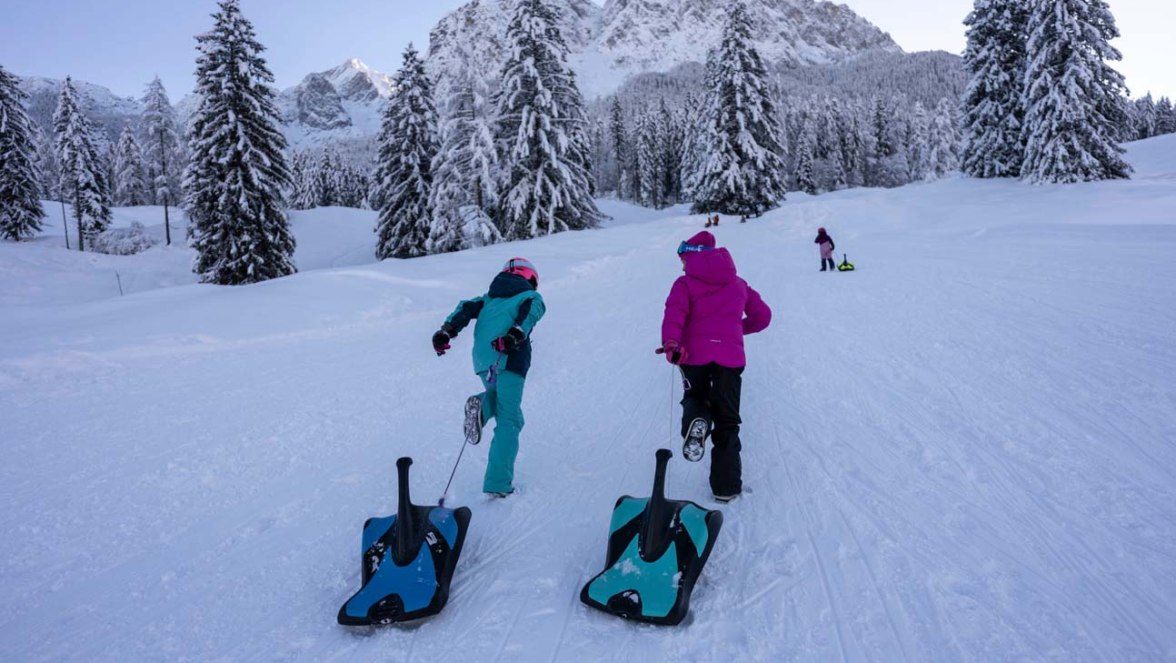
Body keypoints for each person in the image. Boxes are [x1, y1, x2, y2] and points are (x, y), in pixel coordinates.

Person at [659, 231, 772, 502]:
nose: (683, 265)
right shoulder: (739, 284)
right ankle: (726, 487)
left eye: (684, 259)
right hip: (730, 360)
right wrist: (734, 330)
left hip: (693, 356)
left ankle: (696, 421)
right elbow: (763, 316)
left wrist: (672, 342)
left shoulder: (684, 284)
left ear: (694, 255)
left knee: (695, 397)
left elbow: (674, 314)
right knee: (728, 421)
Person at [432, 258, 546, 497]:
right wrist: (514, 335)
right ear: (530, 278)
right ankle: (498, 483)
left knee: (500, 401)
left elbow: (464, 309)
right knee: (510, 420)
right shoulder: (530, 297)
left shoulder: (487, 298)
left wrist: (445, 332)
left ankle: (483, 407)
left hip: (484, 361)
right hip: (509, 356)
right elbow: (528, 317)